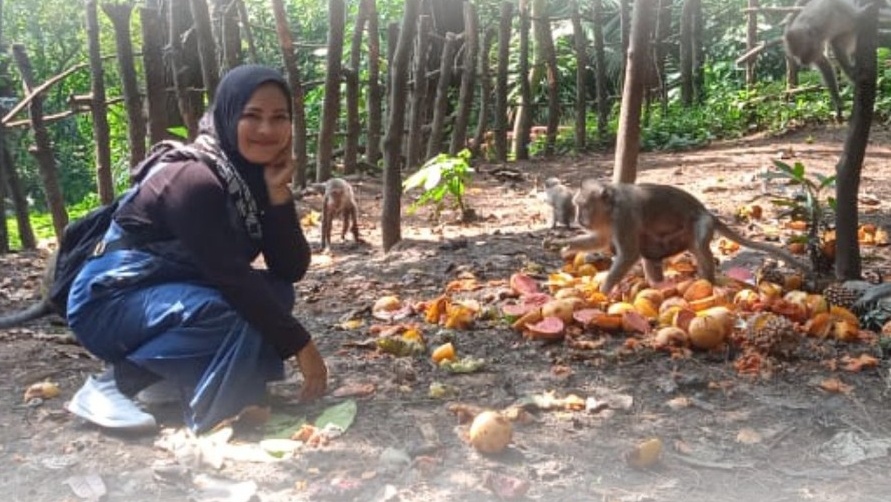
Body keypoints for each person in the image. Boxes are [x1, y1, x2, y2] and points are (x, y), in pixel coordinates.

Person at [64, 64, 328, 433]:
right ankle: (111, 385)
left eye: (279, 118)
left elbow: (289, 269)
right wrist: (302, 346)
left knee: (276, 294)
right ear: (228, 114)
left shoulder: (247, 178)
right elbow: (231, 276)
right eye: (252, 116)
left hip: (165, 295)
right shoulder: (194, 178)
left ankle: (164, 379)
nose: (267, 130)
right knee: (231, 310)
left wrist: (278, 193)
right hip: (110, 301)